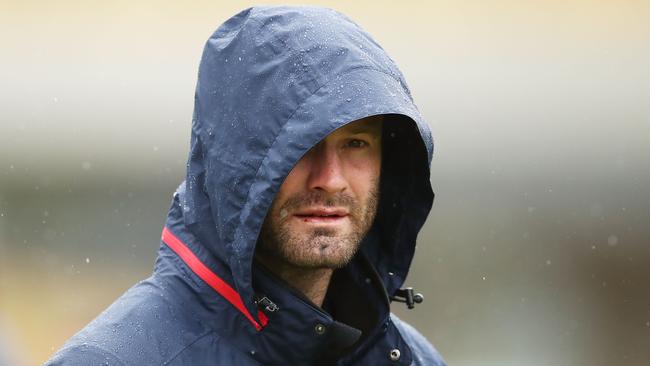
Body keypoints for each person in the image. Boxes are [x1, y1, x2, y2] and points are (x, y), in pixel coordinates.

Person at [46, 5, 445, 366]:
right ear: (235, 164)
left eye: (355, 143)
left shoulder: (411, 359)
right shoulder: (110, 361)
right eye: (300, 147)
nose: (331, 179)